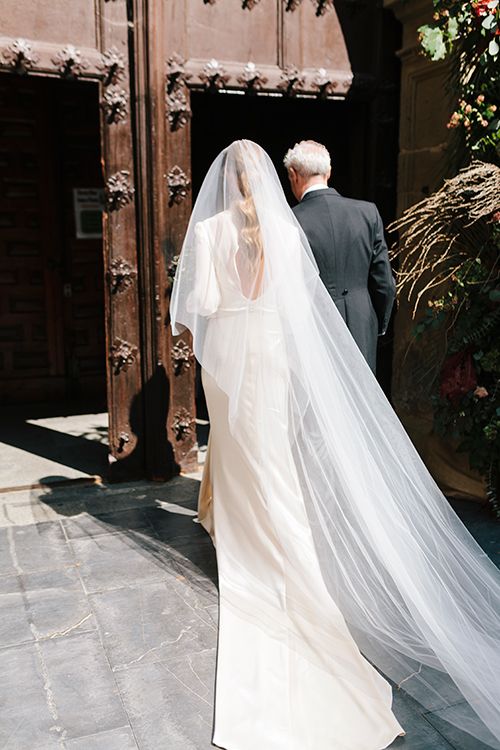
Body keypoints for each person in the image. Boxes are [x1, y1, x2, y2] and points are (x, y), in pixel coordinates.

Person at [170, 140, 500, 750]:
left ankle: (245, 537)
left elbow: (198, 308)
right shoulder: (287, 228)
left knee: (243, 460)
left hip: (229, 359)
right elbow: (312, 304)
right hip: (272, 349)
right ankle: (291, 547)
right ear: (271, 178)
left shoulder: (214, 231)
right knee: (278, 463)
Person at [285, 140, 395, 373]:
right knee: (360, 404)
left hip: (312, 326)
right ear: (329, 172)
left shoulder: (288, 221)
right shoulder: (368, 213)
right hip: (361, 322)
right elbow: (384, 282)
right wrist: (376, 323)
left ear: (293, 175)